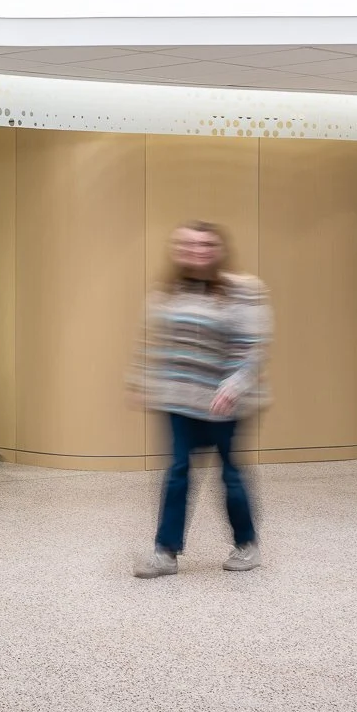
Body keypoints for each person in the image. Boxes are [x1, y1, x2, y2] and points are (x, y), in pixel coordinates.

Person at [131, 222, 271, 578]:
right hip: (179, 400)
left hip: (225, 402)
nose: (198, 251)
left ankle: (247, 544)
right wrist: (140, 380)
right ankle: (165, 552)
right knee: (177, 472)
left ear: (219, 250)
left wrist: (234, 385)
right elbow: (154, 345)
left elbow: (253, 346)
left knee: (231, 475)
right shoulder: (167, 294)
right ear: (177, 250)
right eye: (189, 245)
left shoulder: (243, 290)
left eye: (206, 244)